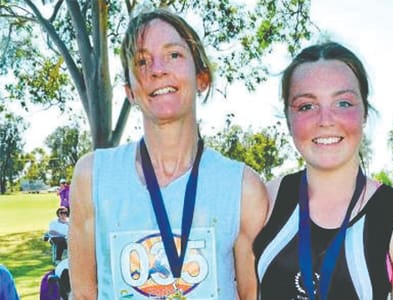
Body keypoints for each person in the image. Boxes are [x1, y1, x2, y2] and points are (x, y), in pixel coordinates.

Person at [68, 8, 268, 300]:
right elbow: (84, 295)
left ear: (202, 78)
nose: (157, 69)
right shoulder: (93, 177)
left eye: (173, 55)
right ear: (130, 91)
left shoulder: (242, 187)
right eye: (142, 60)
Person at [253, 41, 393, 299]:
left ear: (365, 113)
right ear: (288, 119)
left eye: (343, 103)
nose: (325, 120)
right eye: (306, 106)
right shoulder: (262, 201)